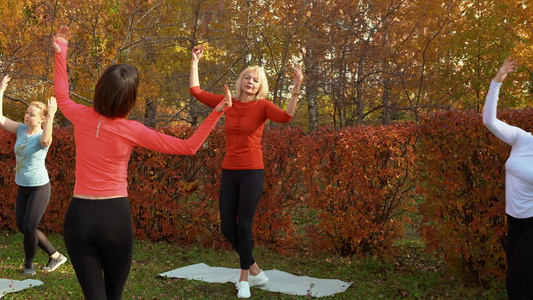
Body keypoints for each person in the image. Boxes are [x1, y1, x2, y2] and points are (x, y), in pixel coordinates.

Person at [52, 26, 230, 300]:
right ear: (129, 99)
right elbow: (189, 147)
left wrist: (61, 51)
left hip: (79, 217)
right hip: (115, 217)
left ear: (100, 90)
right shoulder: (132, 130)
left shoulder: (80, 115)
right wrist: (215, 113)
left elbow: (62, 96)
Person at [190, 44, 303, 298]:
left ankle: (244, 280)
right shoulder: (227, 103)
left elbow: (286, 117)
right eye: (247, 78)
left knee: (244, 227)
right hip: (229, 171)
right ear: (241, 82)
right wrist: (195, 61)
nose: (251, 82)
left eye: (256, 80)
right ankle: (255, 269)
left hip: (252, 171)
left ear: (260, 86)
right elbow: (195, 91)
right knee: (227, 227)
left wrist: (296, 87)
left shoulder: (263, 105)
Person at [0, 75, 68, 275]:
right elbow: (1, 119)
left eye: (31, 114)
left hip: (39, 188)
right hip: (23, 187)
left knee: (30, 225)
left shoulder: (42, 136)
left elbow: (47, 140)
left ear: (41, 119)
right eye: (26, 112)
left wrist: (52, 114)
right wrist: (1, 91)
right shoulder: (21, 130)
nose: (26, 116)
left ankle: (28, 264)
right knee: (23, 227)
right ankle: (56, 256)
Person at [482, 57, 533, 299]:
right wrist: (497, 81)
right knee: (525, 281)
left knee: (516, 282)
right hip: (514, 219)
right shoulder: (523, 139)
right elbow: (489, 121)